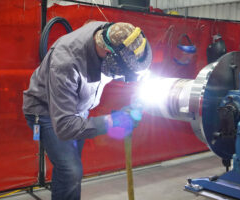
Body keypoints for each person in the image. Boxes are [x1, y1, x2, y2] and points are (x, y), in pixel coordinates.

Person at [23, 21, 152, 200]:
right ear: (108, 54)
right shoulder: (66, 63)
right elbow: (66, 126)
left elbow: (130, 58)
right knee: (71, 171)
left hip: (77, 108)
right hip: (47, 113)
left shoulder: (111, 33)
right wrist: (116, 120)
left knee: (69, 167)